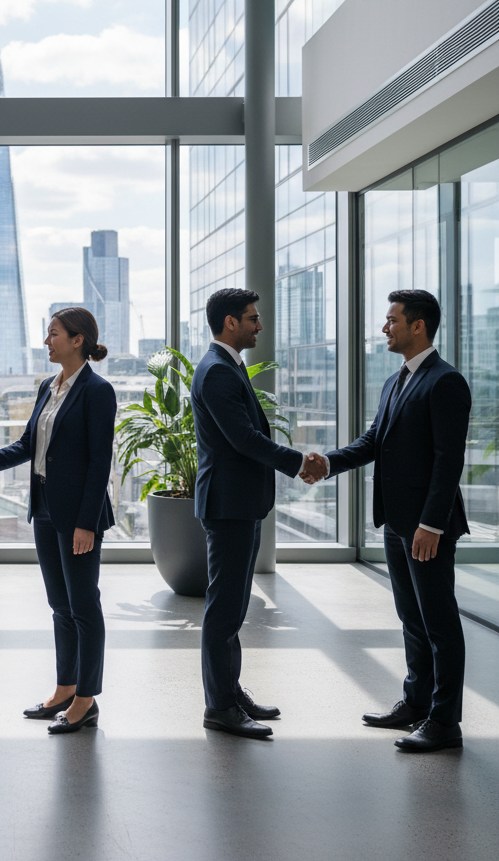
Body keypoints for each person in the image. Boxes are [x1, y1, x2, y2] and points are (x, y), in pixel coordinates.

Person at [303, 290, 470, 753]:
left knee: (439, 623)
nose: (384, 328)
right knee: (411, 618)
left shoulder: (445, 382)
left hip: (426, 527)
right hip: (397, 523)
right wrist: (328, 462)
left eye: (392, 320)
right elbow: (375, 439)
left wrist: (432, 524)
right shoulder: (396, 380)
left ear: (418, 326)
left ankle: (445, 722)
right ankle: (416, 703)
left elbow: (447, 460)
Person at [0, 307, 116, 735]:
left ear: (78, 340)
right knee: (59, 606)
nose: (46, 341)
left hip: (78, 516)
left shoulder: (98, 391)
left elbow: (99, 463)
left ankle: (86, 700)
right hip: (44, 510)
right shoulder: (46, 387)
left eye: (53, 334)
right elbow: (26, 445)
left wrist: (87, 523)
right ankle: (64, 688)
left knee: (83, 605)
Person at [191, 288, 310, 739]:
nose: (259, 326)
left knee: (234, 606)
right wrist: (298, 462)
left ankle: (229, 691)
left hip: (239, 503)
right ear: (229, 323)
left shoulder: (227, 367)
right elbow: (243, 439)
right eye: (252, 318)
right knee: (224, 609)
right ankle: (219, 706)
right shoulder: (217, 372)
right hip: (229, 505)